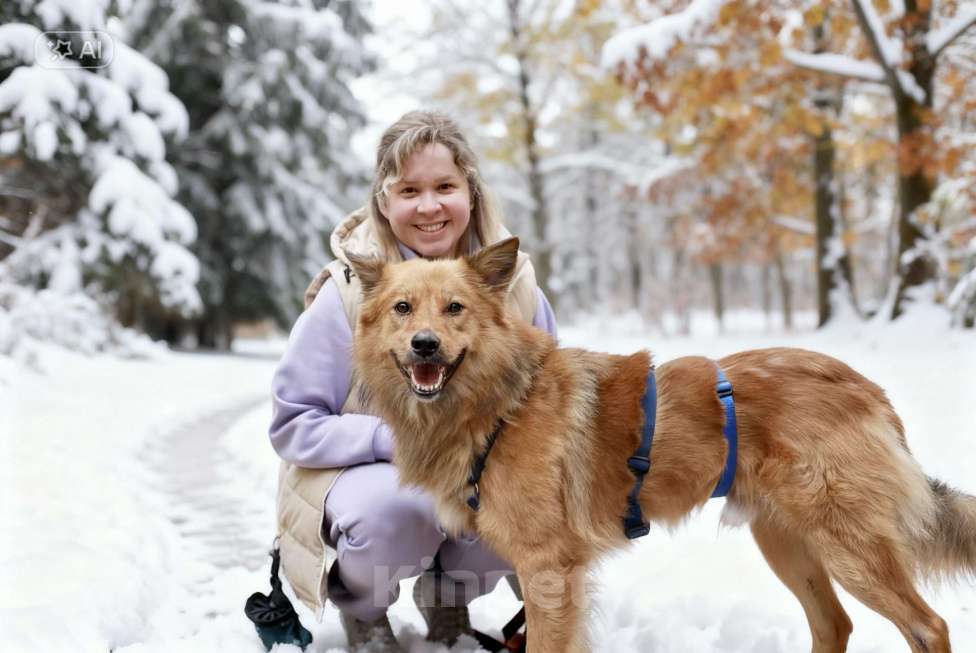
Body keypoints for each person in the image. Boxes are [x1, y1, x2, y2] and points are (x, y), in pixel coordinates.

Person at [269, 110, 558, 652]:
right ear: (384, 201)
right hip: (370, 472)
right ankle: (364, 608)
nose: (429, 206)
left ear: (470, 192)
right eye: (409, 190)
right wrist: (392, 439)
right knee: (395, 513)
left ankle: (450, 597)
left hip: (477, 468)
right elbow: (294, 424)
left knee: (512, 499)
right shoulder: (351, 291)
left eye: (444, 186)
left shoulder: (510, 283)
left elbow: (551, 407)